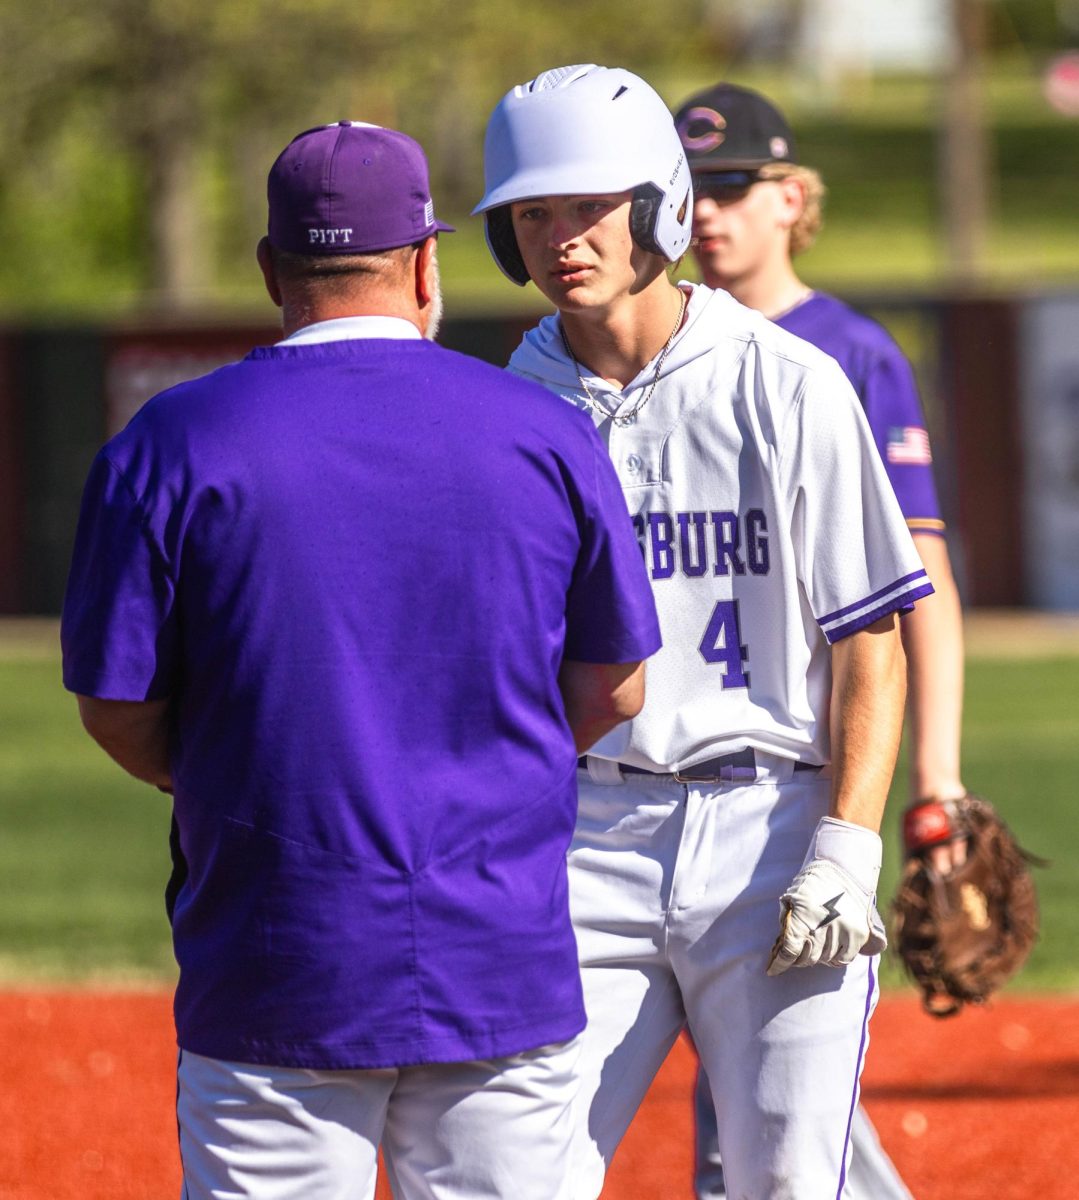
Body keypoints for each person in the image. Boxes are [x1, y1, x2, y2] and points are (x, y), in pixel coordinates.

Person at [61, 120, 662, 1200]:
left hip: (275, 947)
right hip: (497, 951)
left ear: (267, 268)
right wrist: (497, 756)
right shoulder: (545, 433)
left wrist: (221, 767)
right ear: (427, 261)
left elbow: (115, 703)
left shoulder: (168, 440)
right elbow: (615, 685)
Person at [472, 64, 934, 1200]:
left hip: (769, 826)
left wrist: (845, 846)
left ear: (658, 208)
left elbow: (869, 637)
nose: (557, 236)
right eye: (529, 212)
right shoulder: (508, 402)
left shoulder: (788, 382)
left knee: (781, 1184)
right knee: (509, 1174)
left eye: (584, 204)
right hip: (580, 833)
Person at [673, 81, 970, 1200]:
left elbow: (917, 585)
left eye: (734, 187)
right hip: (671, 764)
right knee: (757, 1114)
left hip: (803, 760)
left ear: (793, 196)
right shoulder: (648, 350)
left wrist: (930, 785)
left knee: (755, 1119)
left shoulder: (849, 352)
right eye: (692, 189)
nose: (709, 212)